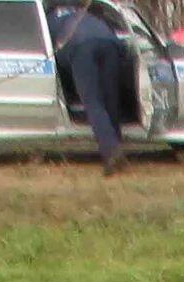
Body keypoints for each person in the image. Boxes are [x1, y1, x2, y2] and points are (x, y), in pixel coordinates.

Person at [49, 0, 133, 170]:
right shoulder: (87, 13)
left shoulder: (50, 18)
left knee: (93, 101)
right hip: (109, 43)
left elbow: (51, 52)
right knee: (111, 98)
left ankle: (111, 152)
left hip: (81, 48)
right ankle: (116, 145)